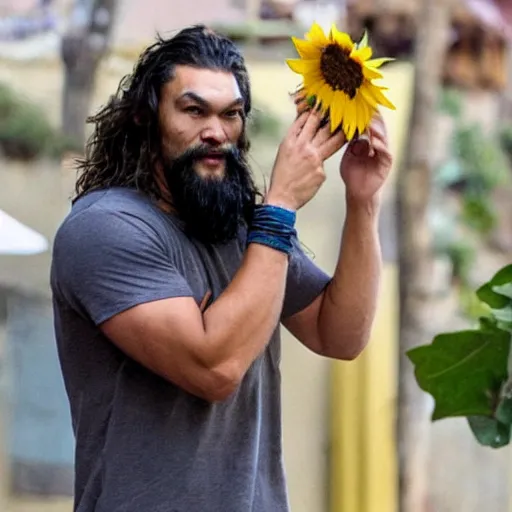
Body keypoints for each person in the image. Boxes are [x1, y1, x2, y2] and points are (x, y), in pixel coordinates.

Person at [50, 24, 392, 512]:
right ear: (147, 119)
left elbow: (340, 334)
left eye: (231, 114)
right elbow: (215, 368)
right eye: (194, 110)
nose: (216, 132)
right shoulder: (104, 229)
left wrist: (364, 200)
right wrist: (280, 204)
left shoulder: (241, 227)